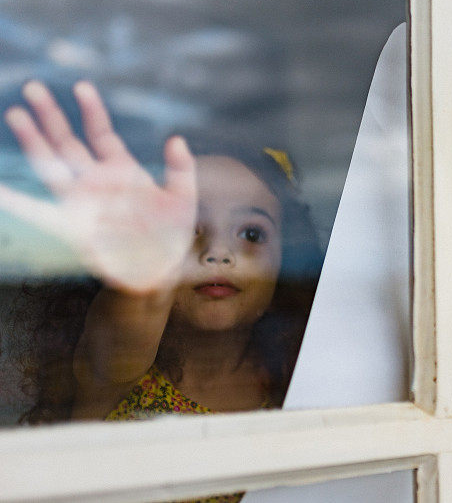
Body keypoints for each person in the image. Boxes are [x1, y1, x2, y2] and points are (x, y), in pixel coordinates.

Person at [3, 80, 322, 423]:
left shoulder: (297, 378)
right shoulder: (118, 373)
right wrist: (143, 278)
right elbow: (123, 336)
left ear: (286, 258)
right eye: (186, 229)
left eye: (251, 233)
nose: (217, 252)